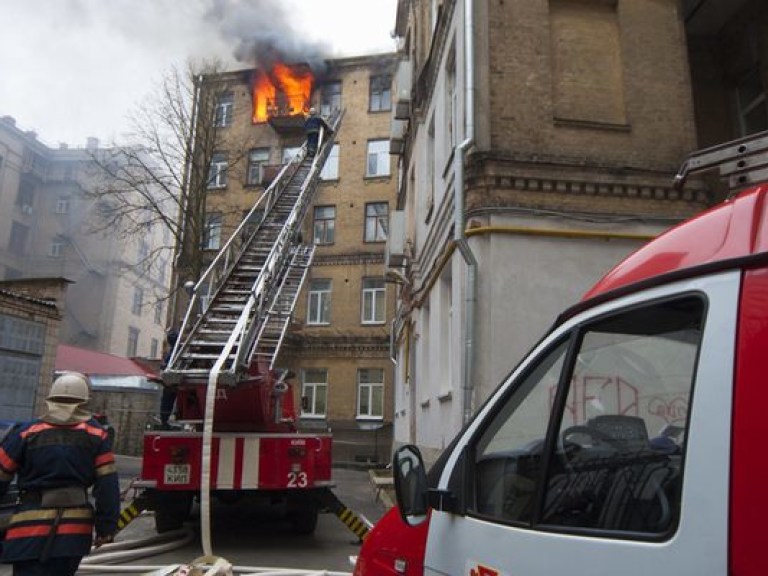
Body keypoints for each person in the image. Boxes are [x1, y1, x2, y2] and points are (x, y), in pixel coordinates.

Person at [0, 372, 120, 576]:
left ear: (51, 399)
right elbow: (108, 488)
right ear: (84, 402)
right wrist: (106, 529)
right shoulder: (97, 436)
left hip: (27, 532)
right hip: (74, 535)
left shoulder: (25, 433)